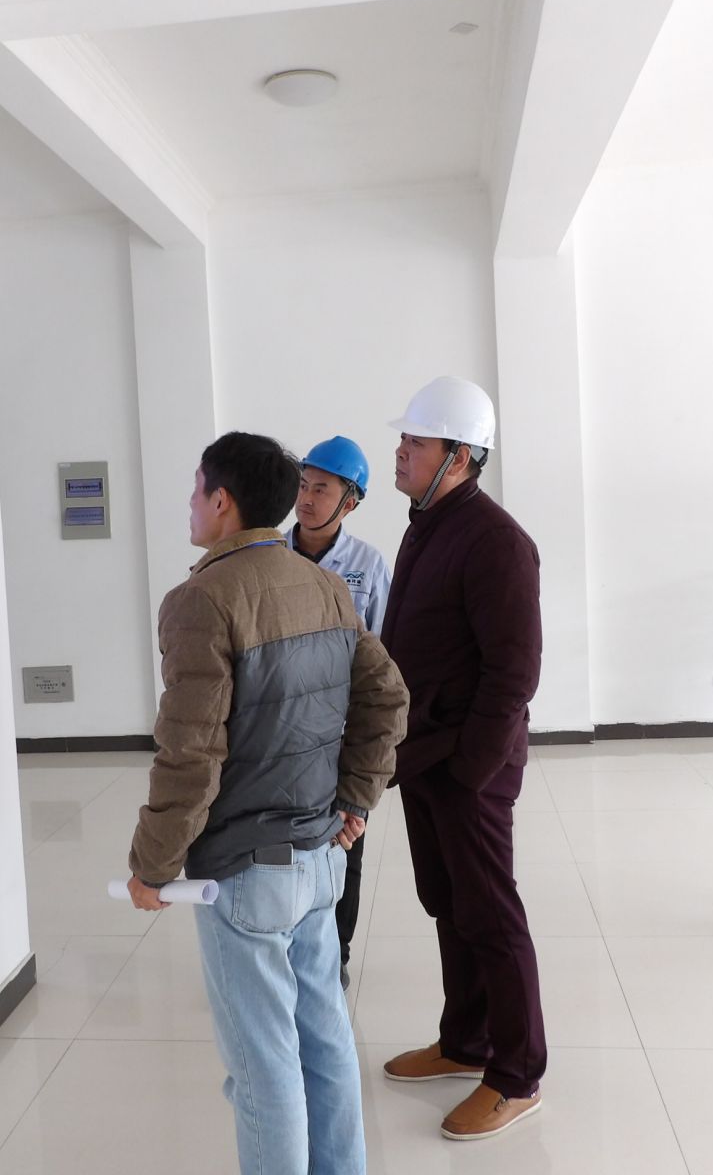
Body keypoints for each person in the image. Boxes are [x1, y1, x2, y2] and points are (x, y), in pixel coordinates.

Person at [122, 431, 409, 1175]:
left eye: (196, 490)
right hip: (319, 862)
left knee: (264, 1067)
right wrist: (355, 798)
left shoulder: (200, 600)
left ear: (222, 501)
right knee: (326, 1042)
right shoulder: (326, 587)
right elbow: (389, 698)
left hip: (246, 875)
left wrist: (152, 866)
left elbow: (191, 754)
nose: (191, 504)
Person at [377, 376, 546, 1142]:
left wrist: (471, 770)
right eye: (404, 439)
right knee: (447, 903)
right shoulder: (428, 524)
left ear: (461, 455)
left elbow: (514, 671)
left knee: (489, 913)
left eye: (415, 442)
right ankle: (464, 1041)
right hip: (426, 755)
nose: (401, 452)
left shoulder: (496, 541)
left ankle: (516, 1075)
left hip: (468, 764)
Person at [289, 435, 393, 990]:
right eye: (303, 486)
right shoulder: (271, 557)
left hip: (343, 734)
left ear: (350, 501)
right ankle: (285, 943)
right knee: (283, 844)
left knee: (344, 841)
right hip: (283, 731)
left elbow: (384, 658)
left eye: (321, 490)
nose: (306, 499)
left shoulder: (367, 566)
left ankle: (337, 952)